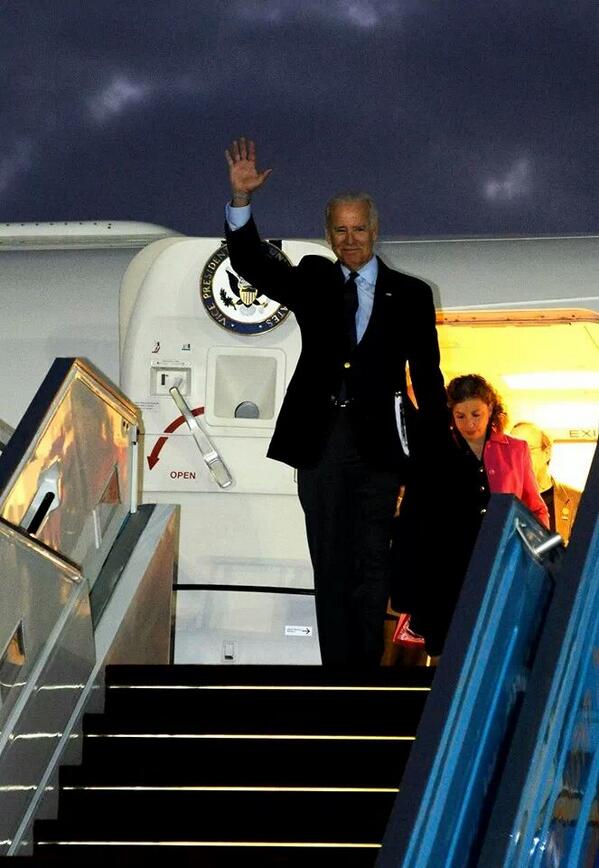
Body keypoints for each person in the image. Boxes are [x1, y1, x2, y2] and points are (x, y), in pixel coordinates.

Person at [224, 137, 448, 665]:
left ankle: (364, 674)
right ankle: (336, 672)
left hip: (380, 446)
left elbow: (429, 378)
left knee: (373, 559)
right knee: (329, 560)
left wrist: (435, 453)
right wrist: (240, 202)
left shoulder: (412, 294)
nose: (350, 240)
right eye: (340, 231)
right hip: (321, 441)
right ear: (329, 235)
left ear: (375, 230)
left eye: (359, 229)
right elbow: (252, 263)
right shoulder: (313, 278)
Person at [402, 374, 549, 656]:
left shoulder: (515, 451)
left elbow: (535, 508)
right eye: (460, 415)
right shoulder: (437, 452)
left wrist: (537, 555)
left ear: (491, 409)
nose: (470, 424)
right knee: (452, 649)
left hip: (499, 567)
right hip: (448, 571)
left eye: (476, 414)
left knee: (495, 647)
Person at [511, 421, 581, 542]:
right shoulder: (504, 502)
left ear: (547, 453)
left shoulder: (577, 500)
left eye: (527, 450)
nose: (519, 458)